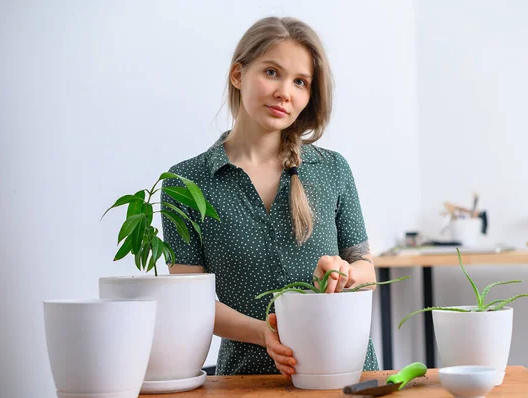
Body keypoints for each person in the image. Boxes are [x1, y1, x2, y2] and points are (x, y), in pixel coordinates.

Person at [161, 16, 380, 377]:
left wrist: (346, 273)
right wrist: (265, 333)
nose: (285, 92)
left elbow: (366, 268)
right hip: (247, 379)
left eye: (300, 82)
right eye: (272, 72)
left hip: (344, 372)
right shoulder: (185, 182)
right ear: (238, 75)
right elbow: (192, 302)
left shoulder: (333, 169)